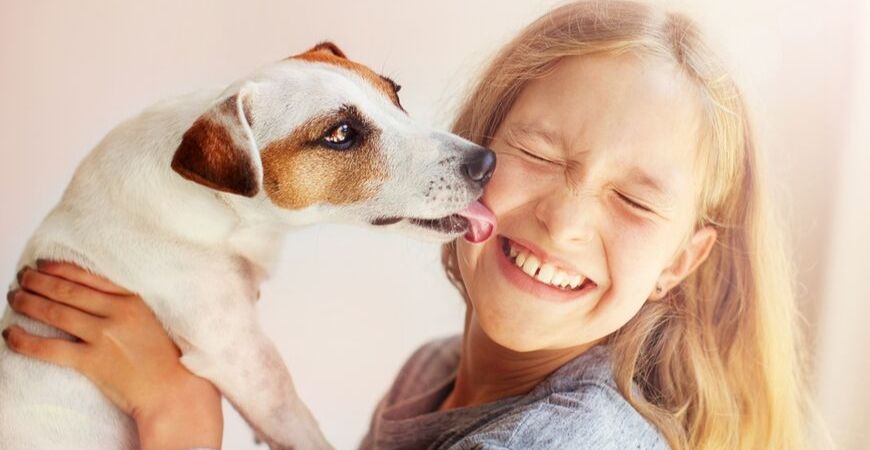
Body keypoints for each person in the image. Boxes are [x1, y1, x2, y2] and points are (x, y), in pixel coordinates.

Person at [2, 1, 810, 449]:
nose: (564, 220)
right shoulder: (433, 375)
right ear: (480, 141)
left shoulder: (562, 444)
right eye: (535, 151)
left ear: (682, 260)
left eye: (634, 200)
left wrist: (179, 414)